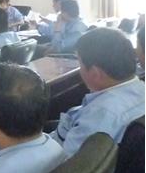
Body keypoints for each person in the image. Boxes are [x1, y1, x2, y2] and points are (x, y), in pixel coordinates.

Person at [50, 28, 145, 156]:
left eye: (80, 64)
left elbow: (65, 162)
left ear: (95, 74)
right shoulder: (140, 88)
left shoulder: (99, 117)